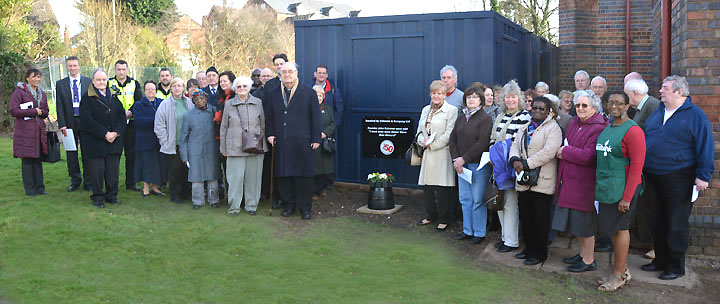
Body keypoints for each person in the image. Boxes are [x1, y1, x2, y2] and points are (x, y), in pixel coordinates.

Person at [642, 76, 714, 280]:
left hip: (679, 175)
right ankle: (660, 260)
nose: (660, 91)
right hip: (652, 174)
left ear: (679, 92)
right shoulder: (658, 113)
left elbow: (705, 145)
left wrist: (703, 175)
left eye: (665, 88)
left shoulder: (695, 116)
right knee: (656, 220)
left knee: (676, 222)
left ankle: (675, 266)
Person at [593, 91, 646, 291]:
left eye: (619, 103)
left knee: (621, 229)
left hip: (624, 187)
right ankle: (622, 270)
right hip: (608, 186)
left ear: (627, 106)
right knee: (613, 230)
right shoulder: (608, 127)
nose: (614, 106)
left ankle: (617, 275)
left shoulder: (633, 131)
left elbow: (636, 167)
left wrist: (627, 197)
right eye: (611, 103)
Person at [552, 90, 608, 272]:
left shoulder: (599, 127)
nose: (581, 109)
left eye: (585, 105)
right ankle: (583, 254)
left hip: (584, 184)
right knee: (575, 224)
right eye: (578, 105)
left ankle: (589, 260)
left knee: (584, 224)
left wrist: (565, 152)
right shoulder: (574, 123)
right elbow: (570, 144)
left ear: (594, 107)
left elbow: (589, 156)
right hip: (568, 180)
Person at [509, 96, 562, 265]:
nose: (537, 111)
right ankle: (528, 249)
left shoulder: (553, 129)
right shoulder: (525, 127)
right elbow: (515, 144)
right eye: (535, 108)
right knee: (526, 216)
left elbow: (549, 152)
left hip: (542, 181)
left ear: (549, 111)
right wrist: (515, 160)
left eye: (542, 109)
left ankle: (539, 253)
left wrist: (525, 164)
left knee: (540, 219)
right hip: (524, 180)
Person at [265, 62, 322, 220]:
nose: (287, 75)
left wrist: (316, 137)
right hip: (281, 141)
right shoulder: (273, 93)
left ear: (297, 73)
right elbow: (269, 117)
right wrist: (269, 134)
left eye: (290, 72)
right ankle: (288, 205)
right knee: (284, 175)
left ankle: (304, 207)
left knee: (303, 176)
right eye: (284, 72)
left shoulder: (309, 93)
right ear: (280, 75)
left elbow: (316, 117)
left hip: (303, 141)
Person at [489, 79, 531, 253]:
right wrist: (492, 153)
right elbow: (493, 138)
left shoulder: (524, 116)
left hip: (512, 166)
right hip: (497, 166)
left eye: (513, 97)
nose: (510, 100)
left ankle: (512, 241)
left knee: (510, 203)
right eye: (507, 97)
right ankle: (504, 237)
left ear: (518, 98)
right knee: (499, 202)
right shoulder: (501, 115)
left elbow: (523, 143)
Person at [449, 86, 493, 244]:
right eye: (469, 97)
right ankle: (467, 230)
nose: (471, 99)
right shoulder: (461, 117)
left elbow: (482, 143)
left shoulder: (485, 118)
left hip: (477, 166)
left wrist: (464, 159)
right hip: (461, 166)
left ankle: (479, 233)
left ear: (480, 99)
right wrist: (456, 159)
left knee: (477, 200)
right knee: (465, 199)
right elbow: (452, 139)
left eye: (475, 97)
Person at [415, 80, 459, 231]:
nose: (436, 96)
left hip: (442, 153)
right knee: (427, 188)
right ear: (430, 94)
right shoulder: (425, 109)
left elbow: (449, 134)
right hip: (427, 154)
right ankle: (430, 216)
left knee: (442, 189)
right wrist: (422, 141)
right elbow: (420, 131)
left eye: (439, 93)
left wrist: (433, 145)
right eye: (434, 93)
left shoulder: (451, 110)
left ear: (445, 94)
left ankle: (444, 219)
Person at [221, 77, 268, 215]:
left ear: (249, 87)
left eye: (245, 86)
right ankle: (234, 207)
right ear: (235, 89)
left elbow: (263, 125)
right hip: (234, 148)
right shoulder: (229, 104)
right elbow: (224, 127)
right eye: (239, 86)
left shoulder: (258, 103)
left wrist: (263, 145)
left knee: (253, 179)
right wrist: (223, 148)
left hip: (255, 147)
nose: (242, 88)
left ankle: (251, 206)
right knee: (235, 180)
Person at [80, 68, 126, 208]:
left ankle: (112, 196)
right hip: (95, 143)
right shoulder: (87, 97)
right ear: (93, 81)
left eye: (104, 80)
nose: (101, 82)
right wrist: (104, 133)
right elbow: (87, 121)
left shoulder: (113, 95)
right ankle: (98, 197)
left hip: (113, 142)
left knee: (112, 172)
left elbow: (121, 116)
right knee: (97, 172)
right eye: (98, 80)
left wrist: (116, 133)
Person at [55, 56, 91, 192]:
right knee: (71, 153)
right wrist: (62, 124)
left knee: (87, 152)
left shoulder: (88, 82)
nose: (72, 68)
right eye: (70, 66)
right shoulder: (61, 84)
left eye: (75, 65)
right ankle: (75, 180)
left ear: (79, 66)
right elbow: (59, 106)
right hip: (69, 123)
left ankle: (88, 181)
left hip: (85, 122)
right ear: (67, 67)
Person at [11, 68, 49, 196]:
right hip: (25, 132)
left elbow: (45, 112)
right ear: (27, 78)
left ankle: (40, 188)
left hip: (38, 132)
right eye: (34, 77)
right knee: (27, 161)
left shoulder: (42, 93)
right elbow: (13, 111)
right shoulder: (19, 92)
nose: (37, 79)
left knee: (37, 160)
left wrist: (41, 112)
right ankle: (30, 189)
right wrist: (33, 111)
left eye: (38, 77)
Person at [155, 77, 194, 204]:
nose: (177, 88)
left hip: (188, 144)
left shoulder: (189, 103)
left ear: (183, 88)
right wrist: (165, 142)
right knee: (175, 171)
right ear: (170, 88)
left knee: (187, 170)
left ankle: (186, 194)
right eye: (174, 86)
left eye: (179, 86)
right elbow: (159, 126)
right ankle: (175, 195)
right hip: (173, 144)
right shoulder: (165, 104)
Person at [257, 54, 289, 210]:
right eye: (276, 64)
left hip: (289, 131)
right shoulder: (270, 85)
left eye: (281, 63)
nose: (279, 66)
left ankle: (289, 197)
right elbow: (266, 109)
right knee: (274, 165)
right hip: (273, 130)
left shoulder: (292, 82)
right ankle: (276, 196)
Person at [180, 90, 220, 209]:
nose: (200, 101)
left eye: (202, 99)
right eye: (196, 100)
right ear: (193, 101)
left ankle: (214, 200)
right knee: (196, 176)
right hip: (195, 150)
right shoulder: (188, 116)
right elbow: (183, 138)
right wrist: (184, 156)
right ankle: (197, 201)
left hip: (211, 148)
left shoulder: (214, 112)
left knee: (212, 175)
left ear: (206, 99)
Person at [108, 60, 143, 192]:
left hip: (131, 123)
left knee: (131, 155)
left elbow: (139, 100)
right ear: (115, 70)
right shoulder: (109, 83)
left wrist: (130, 112)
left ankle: (131, 183)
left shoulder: (134, 83)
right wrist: (120, 113)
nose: (121, 72)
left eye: (123, 69)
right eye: (118, 69)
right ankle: (112, 183)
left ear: (127, 70)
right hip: (115, 124)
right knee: (114, 155)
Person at [133, 80, 165, 198]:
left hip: (159, 140)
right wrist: (156, 121)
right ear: (144, 91)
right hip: (144, 140)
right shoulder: (138, 105)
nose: (150, 91)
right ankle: (145, 189)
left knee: (158, 165)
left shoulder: (161, 103)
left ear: (156, 90)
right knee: (146, 165)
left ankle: (155, 188)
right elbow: (139, 122)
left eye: (152, 89)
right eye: (148, 89)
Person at [311, 85, 336, 200]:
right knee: (313, 167)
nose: (318, 97)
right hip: (312, 143)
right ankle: (312, 192)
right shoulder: (308, 108)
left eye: (320, 95)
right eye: (316, 95)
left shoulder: (328, 109)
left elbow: (332, 124)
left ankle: (321, 189)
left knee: (324, 168)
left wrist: (325, 133)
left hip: (324, 142)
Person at [213, 71, 236, 199]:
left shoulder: (234, 97)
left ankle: (234, 196)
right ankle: (228, 196)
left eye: (225, 81)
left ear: (231, 82)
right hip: (219, 138)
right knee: (225, 170)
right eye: (220, 81)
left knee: (231, 170)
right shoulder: (221, 98)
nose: (222, 83)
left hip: (231, 139)